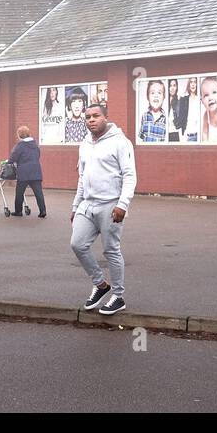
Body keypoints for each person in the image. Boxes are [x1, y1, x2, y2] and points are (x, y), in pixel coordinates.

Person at [71, 102, 135, 316]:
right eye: (88, 117)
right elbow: (82, 176)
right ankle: (100, 285)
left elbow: (129, 175)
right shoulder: (85, 144)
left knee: (111, 251)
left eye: (95, 116)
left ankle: (118, 295)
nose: (91, 120)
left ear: (105, 117)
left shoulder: (120, 142)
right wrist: (76, 204)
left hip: (111, 205)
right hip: (87, 205)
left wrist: (122, 204)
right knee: (78, 244)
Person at [7, 125, 45, 218]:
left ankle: (18, 211)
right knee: (38, 193)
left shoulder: (20, 146)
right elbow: (38, 155)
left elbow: (13, 158)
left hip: (24, 173)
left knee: (19, 192)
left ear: (20, 135)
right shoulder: (35, 144)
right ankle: (43, 211)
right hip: (36, 171)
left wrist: (9, 162)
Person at [182, 77, 200, 142]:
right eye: (191, 82)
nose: (193, 84)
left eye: (195, 82)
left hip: (198, 136)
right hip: (187, 136)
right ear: (188, 85)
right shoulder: (185, 100)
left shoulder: (199, 99)